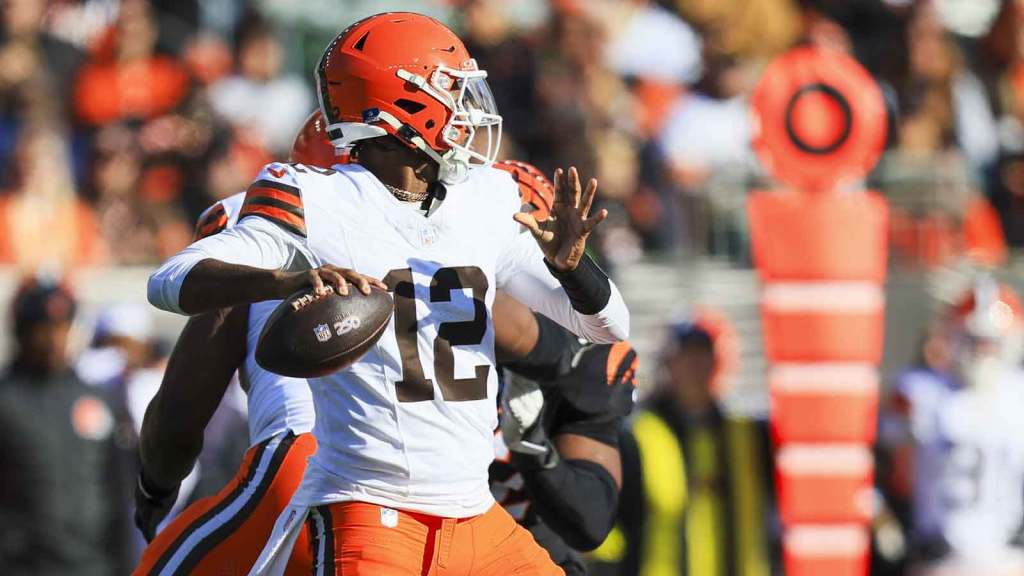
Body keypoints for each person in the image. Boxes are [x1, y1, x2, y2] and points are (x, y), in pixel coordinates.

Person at [147, 12, 628, 575]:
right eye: (452, 89)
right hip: (373, 513)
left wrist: (574, 268)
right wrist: (286, 279)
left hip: (478, 516)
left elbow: (607, 328)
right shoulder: (314, 196)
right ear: (400, 105)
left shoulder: (486, 197)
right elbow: (170, 280)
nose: (468, 109)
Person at [590, 318, 774, 576]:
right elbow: (606, 520)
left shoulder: (749, 435)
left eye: (703, 357)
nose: (696, 368)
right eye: (686, 358)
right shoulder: (637, 434)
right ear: (668, 365)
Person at [881, 278, 1024, 576]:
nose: (982, 352)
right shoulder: (919, 392)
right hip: (939, 560)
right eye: (973, 340)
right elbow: (884, 464)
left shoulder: (1016, 393)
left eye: (989, 343)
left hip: (1010, 558)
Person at [494, 292, 638, 576]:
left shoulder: (579, 347)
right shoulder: (408, 307)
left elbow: (589, 520)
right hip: (404, 537)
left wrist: (531, 445)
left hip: (525, 555)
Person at [0, 277, 131, 574]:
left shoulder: (99, 400)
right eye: (41, 329)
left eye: (61, 327)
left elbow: (120, 494)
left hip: (94, 566)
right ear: (21, 331)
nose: (53, 339)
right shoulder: (6, 400)